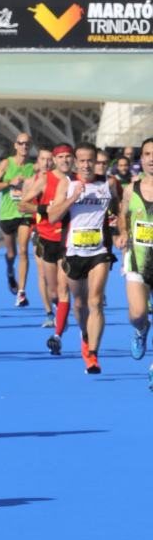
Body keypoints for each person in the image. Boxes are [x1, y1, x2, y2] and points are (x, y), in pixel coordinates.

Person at [47, 141, 122, 374]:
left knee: (95, 301)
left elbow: (119, 210)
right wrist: (72, 198)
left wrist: (120, 228)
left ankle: (93, 354)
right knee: (78, 304)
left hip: (99, 251)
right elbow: (51, 217)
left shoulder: (108, 184)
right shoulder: (67, 184)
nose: (87, 165)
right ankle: (85, 333)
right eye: (83, 161)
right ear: (75, 162)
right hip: (73, 252)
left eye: (92, 160)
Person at [20, 144, 75, 355]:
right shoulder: (45, 180)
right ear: (54, 159)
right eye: (60, 157)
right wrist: (45, 209)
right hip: (47, 237)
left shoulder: (78, 180)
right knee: (54, 292)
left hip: (69, 241)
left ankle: (58, 333)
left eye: (68, 157)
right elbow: (23, 205)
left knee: (64, 290)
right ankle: (60, 313)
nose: (64, 161)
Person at [118, 136, 153, 374]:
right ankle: (141, 331)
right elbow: (123, 216)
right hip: (137, 260)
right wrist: (121, 234)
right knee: (138, 314)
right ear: (141, 159)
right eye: (148, 154)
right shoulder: (131, 190)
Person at [0, 132, 35, 303]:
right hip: (7, 213)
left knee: (23, 250)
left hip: (24, 213)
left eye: (27, 144)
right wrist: (10, 183)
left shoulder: (33, 166)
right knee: (11, 252)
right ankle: (9, 271)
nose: (24, 147)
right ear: (15, 145)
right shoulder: (7, 163)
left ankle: (21, 291)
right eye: (21, 143)